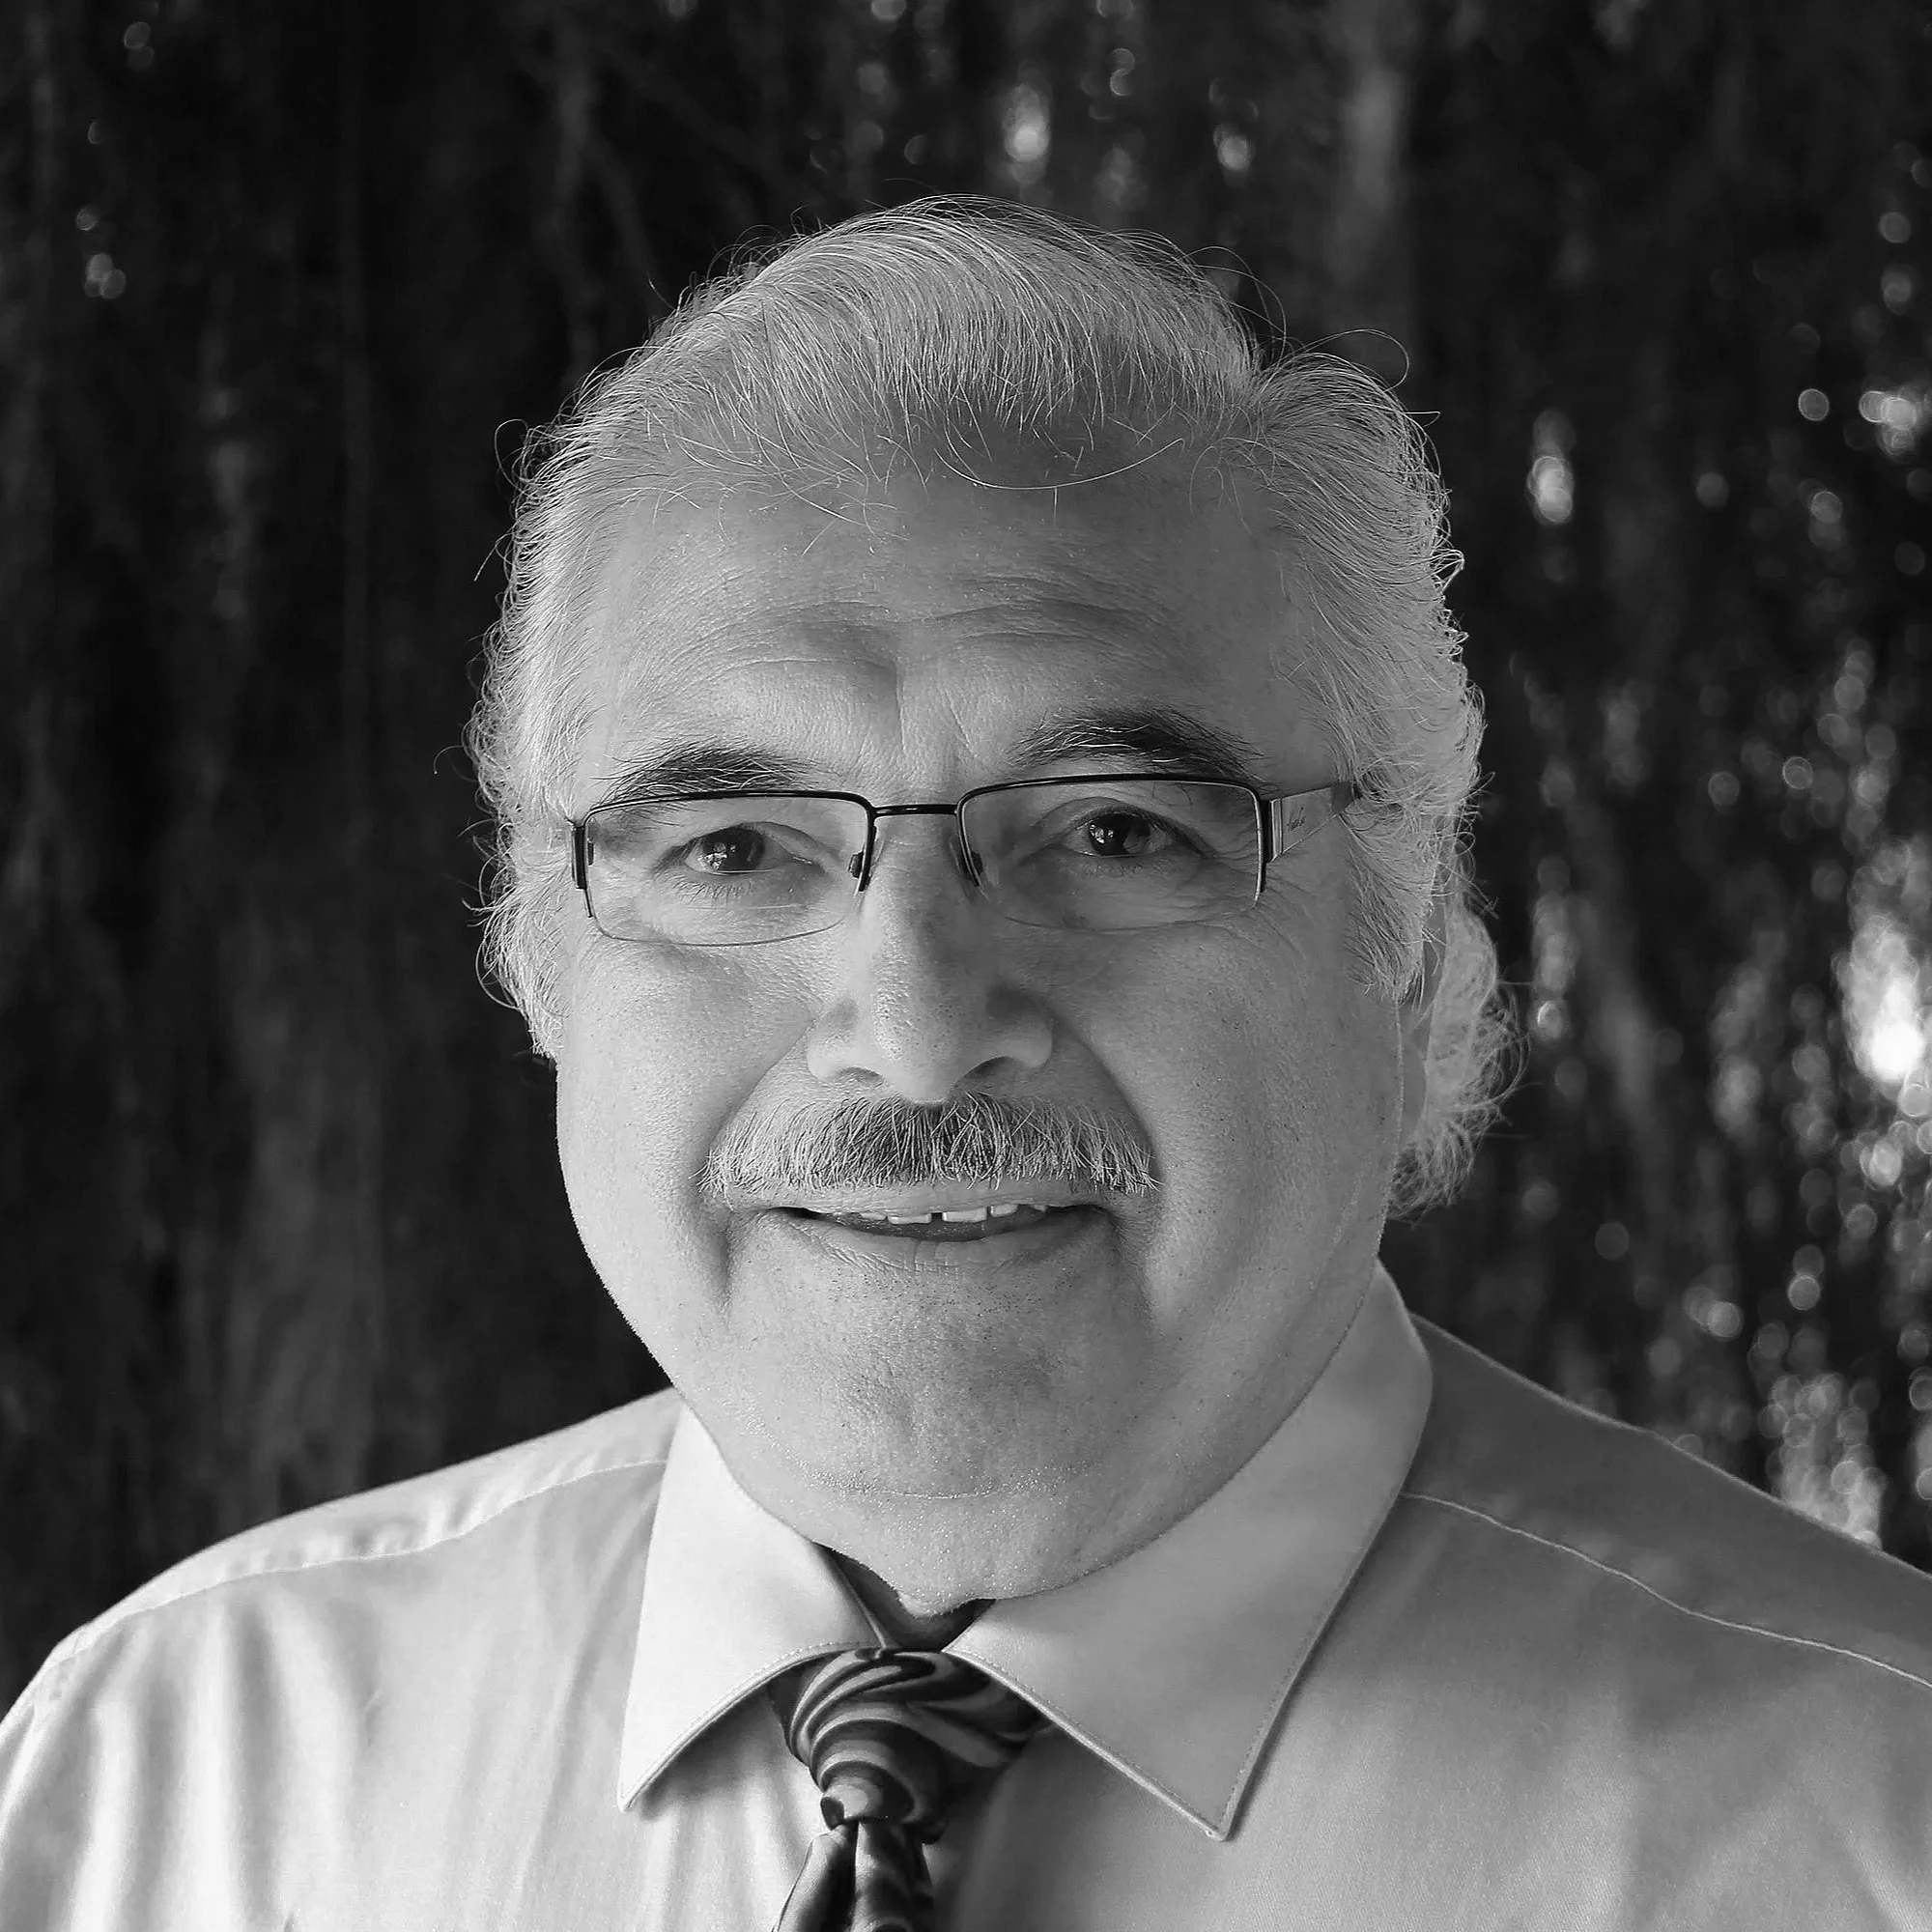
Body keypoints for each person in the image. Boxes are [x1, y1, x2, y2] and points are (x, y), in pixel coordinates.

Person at [3, 197, 1928, 1932]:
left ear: (1407, 933)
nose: (915, 1033)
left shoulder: (1866, 1829)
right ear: (540, 949)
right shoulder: (157, 1792)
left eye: (1109, 833)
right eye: (734, 849)